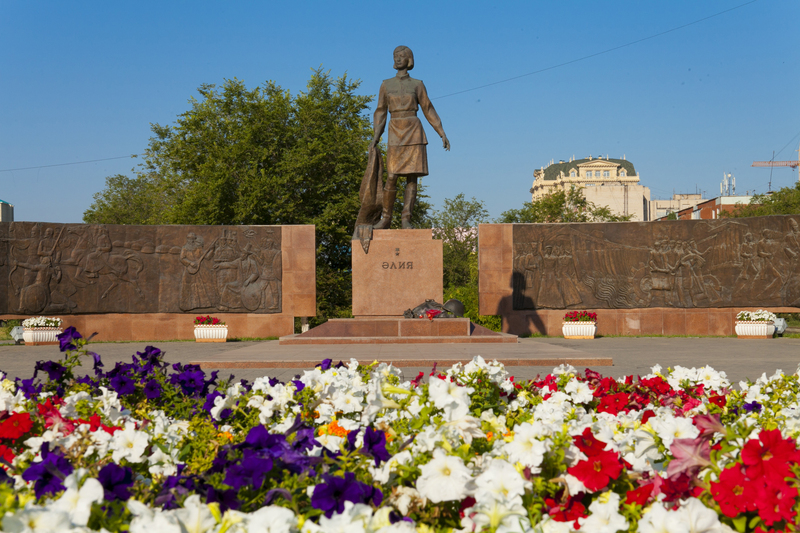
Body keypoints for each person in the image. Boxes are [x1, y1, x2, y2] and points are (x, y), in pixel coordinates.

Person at [370, 46, 450, 229]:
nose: (398, 59)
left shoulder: (417, 84)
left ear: (409, 59)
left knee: (412, 177)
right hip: (395, 130)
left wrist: (441, 132)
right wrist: (376, 136)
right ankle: (386, 218)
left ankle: (406, 218)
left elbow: (428, 108)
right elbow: (380, 111)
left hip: (414, 130)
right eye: (395, 56)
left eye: (401, 56)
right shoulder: (386, 85)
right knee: (392, 176)